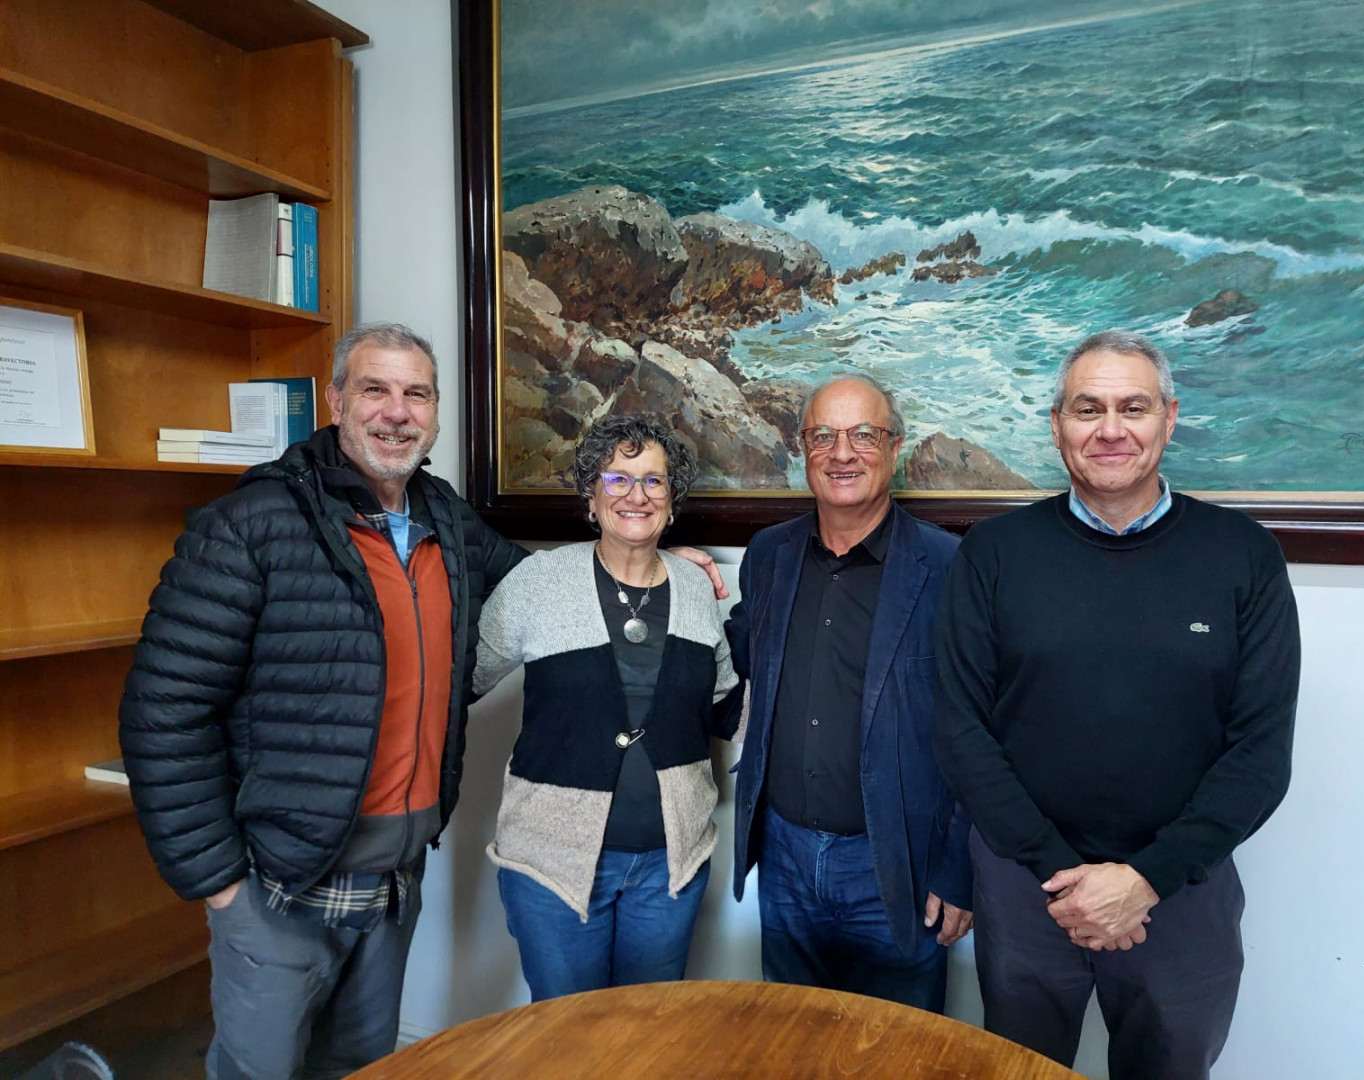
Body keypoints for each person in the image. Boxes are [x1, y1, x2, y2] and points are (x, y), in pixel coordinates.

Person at [116, 323, 725, 1079]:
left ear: (435, 413)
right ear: (336, 399)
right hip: (279, 877)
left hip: (394, 879)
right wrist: (219, 884)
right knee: (261, 1069)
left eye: (416, 394)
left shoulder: (444, 521)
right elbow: (164, 708)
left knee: (365, 1067)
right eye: (374, 389)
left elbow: (545, 584)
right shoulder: (253, 524)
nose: (396, 412)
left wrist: (660, 560)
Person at [933, 330, 1301, 1080]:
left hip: (1180, 890)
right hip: (1025, 885)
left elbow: (1261, 752)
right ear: (1056, 424)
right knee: (1019, 1071)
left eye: (1132, 407)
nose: (1109, 430)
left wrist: (1146, 879)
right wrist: (1061, 876)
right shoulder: (995, 553)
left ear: (1169, 417)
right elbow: (959, 726)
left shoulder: (1243, 554)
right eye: (1086, 408)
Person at [724, 373, 973, 1014]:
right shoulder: (768, 555)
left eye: (864, 434)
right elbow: (742, 655)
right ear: (801, 448)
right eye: (823, 436)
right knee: (790, 1045)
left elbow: (982, 729)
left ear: (894, 447)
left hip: (895, 865)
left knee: (897, 1053)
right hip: (782, 858)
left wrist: (957, 868)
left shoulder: (949, 568)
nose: (842, 453)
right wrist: (675, 565)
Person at [473, 415, 745, 1001]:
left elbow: (723, 699)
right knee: (568, 1045)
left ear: (673, 502)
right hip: (550, 865)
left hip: (668, 868)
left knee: (646, 1040)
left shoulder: (697, 587)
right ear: (591, 496)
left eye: (653, 481)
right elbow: (459, 679)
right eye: (617, 479)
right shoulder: (538, 582)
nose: (636, 496)